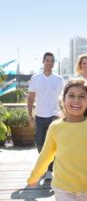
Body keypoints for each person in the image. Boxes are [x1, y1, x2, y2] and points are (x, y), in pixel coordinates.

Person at [27, 52, 65, 180]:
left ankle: (50, 169)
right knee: (39, 142)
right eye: (47, 60)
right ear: (43, 62)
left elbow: (64, 98)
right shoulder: (35, 78)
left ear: (54, 63)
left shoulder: (59, 79)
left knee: (53, 143)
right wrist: (30, 116)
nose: (49, 63)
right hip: (39, 115)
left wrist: (66, 114)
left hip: (55, 114)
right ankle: (46, 164)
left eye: (51, 61)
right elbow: (31, 97)